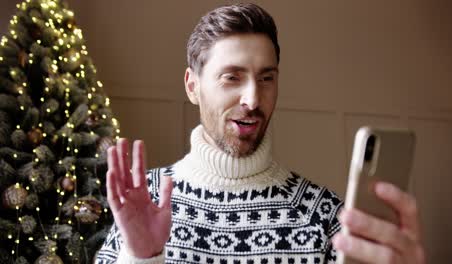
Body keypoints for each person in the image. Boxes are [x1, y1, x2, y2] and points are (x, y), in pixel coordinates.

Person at [95, 3, 425, 264]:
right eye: (232, 78)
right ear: (193, 86)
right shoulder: (141, 202)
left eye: (266, 78)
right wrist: (140, 258)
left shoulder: (324, 215)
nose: (253, 100)